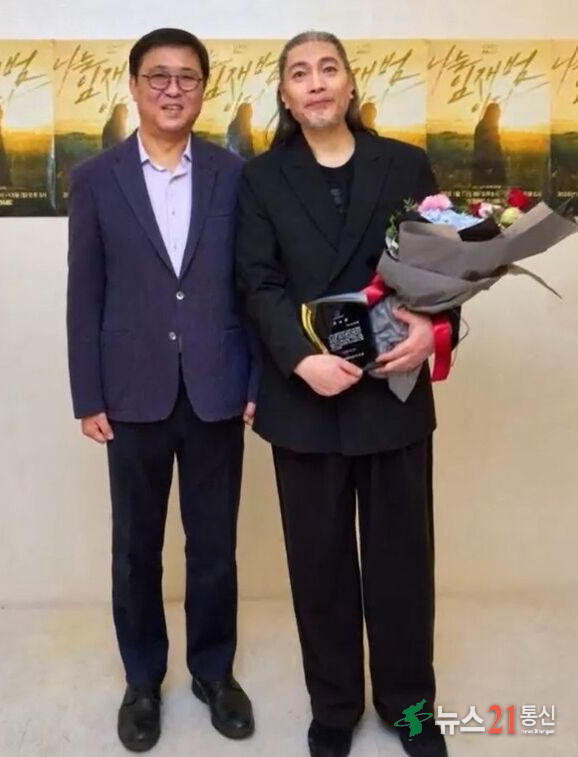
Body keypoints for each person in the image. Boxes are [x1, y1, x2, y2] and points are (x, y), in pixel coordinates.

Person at [236, 31, 458, 757]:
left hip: (393, 392)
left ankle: (410, 707)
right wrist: (303, 360)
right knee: (320, 565)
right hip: (306, 401)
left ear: (351, 84)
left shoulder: (406, 163)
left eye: (328, 68)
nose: (316, 83)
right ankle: (333, 707)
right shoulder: (261, 179)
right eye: (299, 73)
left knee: (403, 564)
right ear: (285, 94)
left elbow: (444, 266)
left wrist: (434, 329)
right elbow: (257, 284)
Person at [66, 27, 258, 753]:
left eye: (187, 77)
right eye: (159, 76)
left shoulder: (235, 175)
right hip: (131, 392)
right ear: (135, 85)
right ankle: (142, 681)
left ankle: (214, 673)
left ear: (204, 89)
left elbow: (254, 286)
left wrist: (256, 380)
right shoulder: (96, 178)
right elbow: (85, 294)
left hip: (217, 388)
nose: (173, 89)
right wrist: (88, 394)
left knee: (214, 548)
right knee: (135, 550)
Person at [471, 101, 507, 187]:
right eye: (497, 113)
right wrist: (488, 167)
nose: (499, 115)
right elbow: (484, 149)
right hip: (487, 168)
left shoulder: (488, 126)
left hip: (490, 167)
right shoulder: (485, 127)